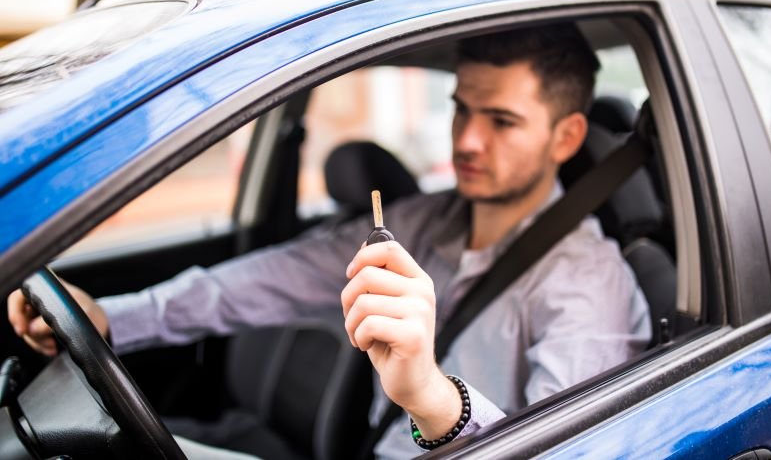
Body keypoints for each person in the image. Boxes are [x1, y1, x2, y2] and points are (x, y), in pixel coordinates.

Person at [7, 23, 651, 459]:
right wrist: (112, 318)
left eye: (501, 121)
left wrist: (431, 396)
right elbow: (258, 282)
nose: (466, 140)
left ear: (566, 138)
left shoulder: (588, 286)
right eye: (462, 108)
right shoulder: (424, 221)